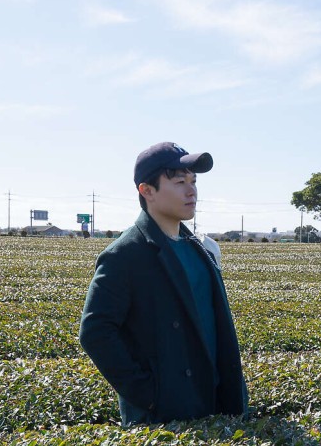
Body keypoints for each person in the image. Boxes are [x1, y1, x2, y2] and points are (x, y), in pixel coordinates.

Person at [79, 142, 248, 426]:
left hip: (215, 403)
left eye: (193, 181)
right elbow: (95, 332)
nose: (191, 190)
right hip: (164, 418)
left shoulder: (199, 248)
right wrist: (150, 395)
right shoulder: (124, 254)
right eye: (180, 181)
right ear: (147, 191)